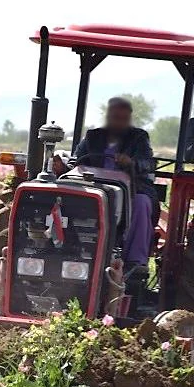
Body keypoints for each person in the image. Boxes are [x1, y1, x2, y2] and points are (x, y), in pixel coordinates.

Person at [54, 97, 156, 268]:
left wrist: (131, 162)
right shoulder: (93, 136)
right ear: (108, 117)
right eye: (115, 117)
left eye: (123, 119)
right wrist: (62, 166)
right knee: (64, 199)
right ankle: (68, 249)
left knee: (141, 203)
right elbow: (76, 162)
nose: (119, 122)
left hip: (129, 189)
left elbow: (148, 162)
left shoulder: (138, 138)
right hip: (93, 187)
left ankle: (135, 262)